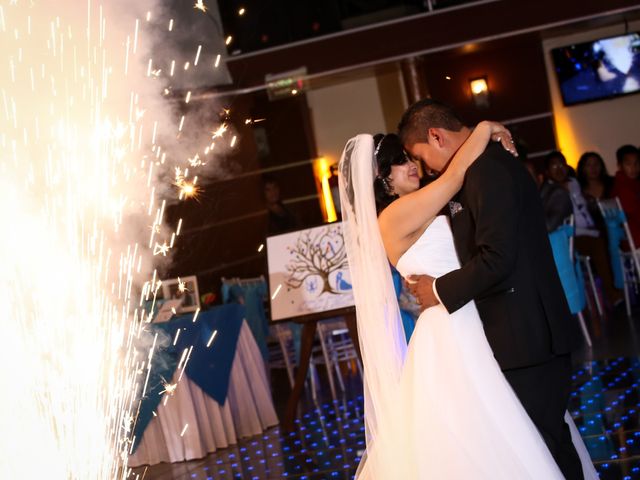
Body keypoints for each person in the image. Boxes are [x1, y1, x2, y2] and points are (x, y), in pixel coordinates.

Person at [339, 119, 596, 478]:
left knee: (516, 420)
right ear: (383, 179)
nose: (413, 166)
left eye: (411, 158)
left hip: (474, 315)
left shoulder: (422, 203)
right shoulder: (393, 216)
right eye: (401, 162)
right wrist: (485, 128)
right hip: (449, 329)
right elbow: (455, 174)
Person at [545, 151, 623, 307]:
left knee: (609, 234)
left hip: (590, 229)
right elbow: (565, 224)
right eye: (554, 166)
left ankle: (619, 284)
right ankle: (611, 292)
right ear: (547, 171)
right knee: (598, 242)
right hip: (573, 237)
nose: (559, 169)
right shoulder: (549, 192)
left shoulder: (575, 183)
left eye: (562, 164)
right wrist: (591, 231)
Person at [612, 145, 640, 245]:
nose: (634, 168)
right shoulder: (624, 187)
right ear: (620, 166)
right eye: (628, 164)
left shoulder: (633, 183)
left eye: (637, 163)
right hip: (634, 238)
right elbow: (636, 215)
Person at [576, 151, 613, 228]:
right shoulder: (577, 190)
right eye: (588, 165)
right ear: (582, 168)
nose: (593, 168)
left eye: (596, 164)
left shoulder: (612, 184)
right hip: (591, 235)